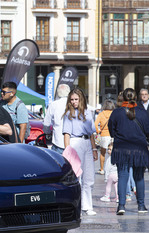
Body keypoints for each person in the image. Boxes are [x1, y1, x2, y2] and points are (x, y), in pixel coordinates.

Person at [108, 88, 149, 215]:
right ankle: (141, 206)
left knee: (123, 176)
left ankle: (121, 205)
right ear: (135, 97)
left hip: (122, 148)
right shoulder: (142, 112)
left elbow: (112, 130)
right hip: (139, 149)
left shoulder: (116, 112)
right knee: (139, 177)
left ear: (123, 98)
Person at [62, 87, 98, 216]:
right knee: (77, 176)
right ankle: (76, 205)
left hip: (87, 142)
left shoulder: (88, 113)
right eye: (71, 99)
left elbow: (91, 133)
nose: (74, 102)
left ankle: (87, 205)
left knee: (89, 176)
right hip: (75, 142)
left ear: (81, 99)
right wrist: (68, 150)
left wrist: (94, 148)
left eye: (76, 99)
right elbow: (66, 134)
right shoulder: (68, 114)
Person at [44, 84, 71, 154]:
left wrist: (47, 132)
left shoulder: (54, 104)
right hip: (72, 141)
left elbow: (46, 123)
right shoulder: (73, 103)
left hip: (58, 140)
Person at [94, 99, 115, 174]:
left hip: (103, 135)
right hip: (112, 135)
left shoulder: (101, 114)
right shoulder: (114, 113)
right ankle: (112, 168)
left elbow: (95, 124)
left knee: (102, 153)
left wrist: (98, 131)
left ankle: (102, 169)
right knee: (112, 152)